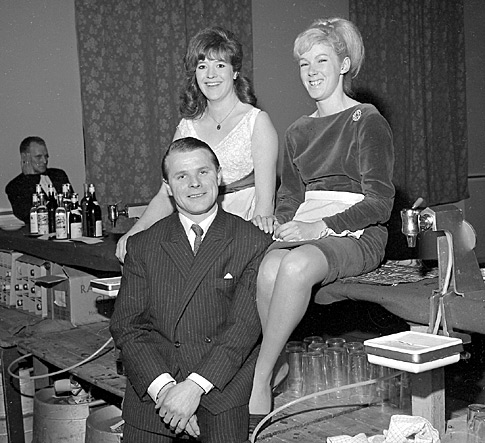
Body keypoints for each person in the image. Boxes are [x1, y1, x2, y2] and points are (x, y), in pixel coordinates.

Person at [248, 17, 395, 427]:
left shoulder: (366, 120)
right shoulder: (297, 131)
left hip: (358, 230)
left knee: (293, 266)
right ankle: (275, 366)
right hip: (309, 226)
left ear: (344, 65)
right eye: (303, 63)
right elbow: (291, 197)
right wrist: (279, 223)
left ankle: (261, 377)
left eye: (321, 60)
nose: (311, 72)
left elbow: (381, 202)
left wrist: (321, 227)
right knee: (268, 267)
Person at [110, 137, 273, 443]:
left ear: (219, 176)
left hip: (221, 391)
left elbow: (244, 328)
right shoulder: (143, 245)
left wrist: (194, 388)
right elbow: (127, 327)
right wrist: (167, 392)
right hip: (153, 395)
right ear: (168, 187)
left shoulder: (252, 241)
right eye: (181, 176)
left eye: (203, 172)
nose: (194, 184)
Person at [115, 26, 278, 262]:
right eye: (203, 66)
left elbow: (265, 207)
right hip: (196, 224)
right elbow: (166, 195)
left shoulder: (256, 122)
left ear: (235, 72)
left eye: (220, 65)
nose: (210, 75)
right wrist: (135, 231)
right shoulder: (186, 127)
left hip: (243, 224)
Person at [5, 136, 71, 224]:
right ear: (25, 157)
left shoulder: (59, 175)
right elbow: (27, 215)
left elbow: (72, 205)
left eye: (46, 156)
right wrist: (29, 178)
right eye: (38, 157)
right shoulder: (14, 186)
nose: (44, 161)